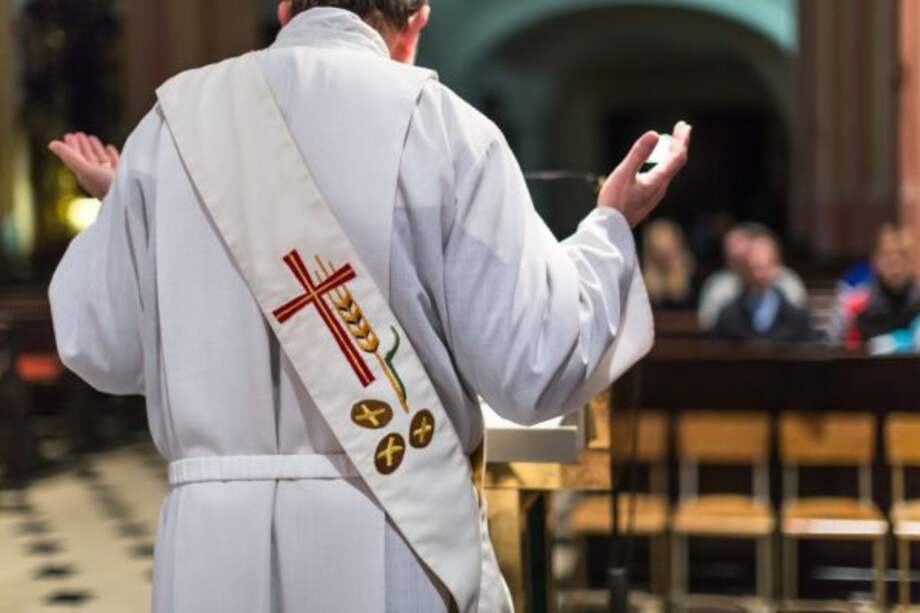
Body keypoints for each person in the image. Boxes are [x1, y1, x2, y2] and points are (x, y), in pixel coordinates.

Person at [46, 2, 691, 611]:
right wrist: (609, 226)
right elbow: (531, 366)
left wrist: (141, 206)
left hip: (209, 553)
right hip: (389, 531)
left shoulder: (171, 128)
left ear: (286, 9)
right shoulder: (444, 126)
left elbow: (101, 344)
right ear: (415, 21)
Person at [698, 222, 807, 330]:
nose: (759, 275)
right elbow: (709, 323)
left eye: (763, 266)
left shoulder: (788, 284)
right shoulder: (722, 293)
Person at [713, 233, 815, 342]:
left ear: (777, 267)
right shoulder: (729, 316)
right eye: (755, 267)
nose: (759, 275)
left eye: (765, 267)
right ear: (745, 268)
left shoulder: (796, 317)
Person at [838, 225, 920, 352]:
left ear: (914, 261)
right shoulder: (854, 303)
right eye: (888, 257)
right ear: (875, 261)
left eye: (904, 257)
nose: (896, 266)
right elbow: (837, 349)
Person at [642, 218, 697, 310]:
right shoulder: (640, 283)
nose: (665, 257)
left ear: (678, 249)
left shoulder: (692, 278)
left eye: (668, 250)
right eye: (660, 252)